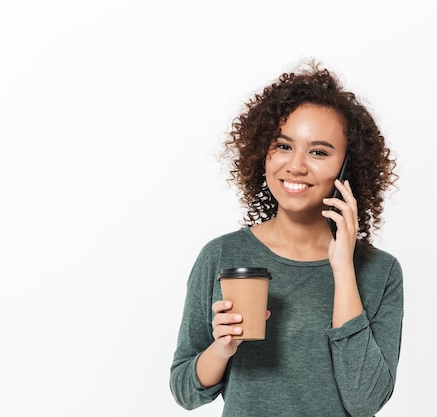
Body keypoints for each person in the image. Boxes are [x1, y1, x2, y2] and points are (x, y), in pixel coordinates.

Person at [169, 60, 403, 417]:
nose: (295, 166)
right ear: (263, 152)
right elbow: (185, 392)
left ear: (345, 168)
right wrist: (222, 348)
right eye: (283, 146)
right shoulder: (221, 255)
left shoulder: (380, 271)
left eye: (319, 152)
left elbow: (366, 401)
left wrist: (342, 269)